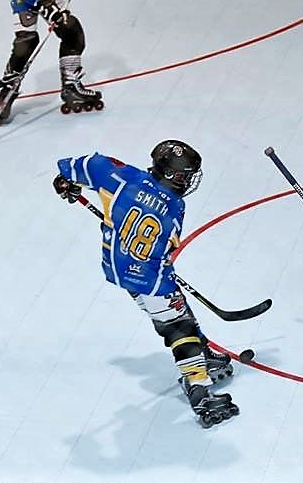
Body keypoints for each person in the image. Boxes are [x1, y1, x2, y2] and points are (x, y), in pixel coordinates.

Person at [52, 140, 239, 428]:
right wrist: (161, 274)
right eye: (183, 176)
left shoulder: (119, 175)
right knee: (178, 326)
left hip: (117, 264)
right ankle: (199, 388)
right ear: (169, 174)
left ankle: (202, 353)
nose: (187, 181)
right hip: (149, 277)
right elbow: (163, 251)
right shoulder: (175, 206)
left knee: (176, 308)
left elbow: (80, 166)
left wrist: (67, 182)